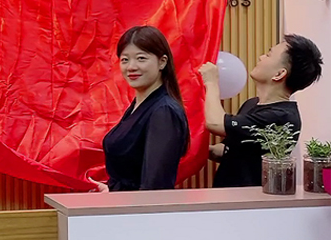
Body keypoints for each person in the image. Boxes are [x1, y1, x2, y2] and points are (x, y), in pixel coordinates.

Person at [199, 34, 323, 187]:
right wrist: (198, 151)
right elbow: (231, 149)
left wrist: (211, 82)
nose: (261, 57)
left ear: (279, 74)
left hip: (250, 199)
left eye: (269, 55)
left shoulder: (282, 117)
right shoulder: (251, 104)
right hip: (227, 195)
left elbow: (215, 123)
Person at [96, 25, 189, 192]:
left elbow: (155, 187)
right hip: (123, 205)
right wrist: (111, 190)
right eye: (125, 60)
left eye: (141, 58)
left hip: (140, 208)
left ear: (162, 62)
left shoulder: (163, 112)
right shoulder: (138, 105)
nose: (131, 67)